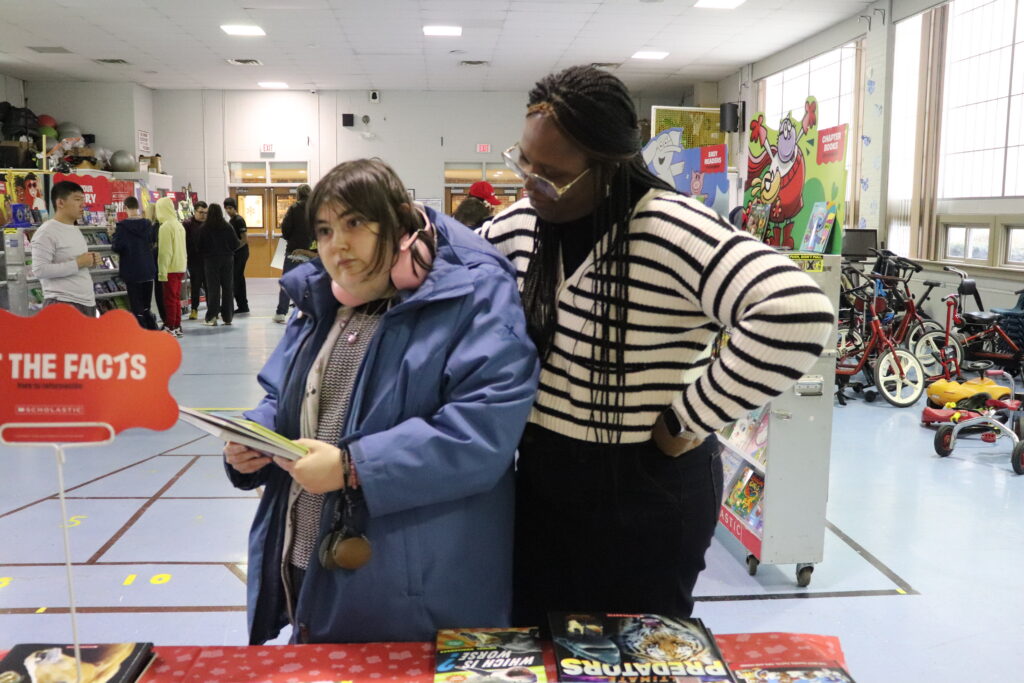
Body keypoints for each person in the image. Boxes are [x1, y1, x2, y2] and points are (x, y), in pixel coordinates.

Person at [479, 65, 835, 627]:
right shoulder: (519, 224)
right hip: (542, 477)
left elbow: (796, 312)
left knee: (639, 646)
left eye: (551, 175)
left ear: (608, 167)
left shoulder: (671, 228)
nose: (529, 183)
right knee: (537, 632)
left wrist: (687, 419)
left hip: (646, 487)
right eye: (523, 162)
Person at [222, 158, 539, 644]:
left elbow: (482, 430)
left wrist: (356, 468)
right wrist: (256, 440)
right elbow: (283, 392)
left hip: (413, 585)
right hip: (312, 556)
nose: (337, 244)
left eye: (354, 223)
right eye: (324, 230)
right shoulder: (324, 299)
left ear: (398, 222)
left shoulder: (472, 294)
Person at [30, 180, 99, 317]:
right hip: (62, 304)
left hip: (87, 303)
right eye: (77, 199)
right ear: (60, 203)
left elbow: (76, 262)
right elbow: (39, 270)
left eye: (83, 200)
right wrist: (78, 263)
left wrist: (91, 261)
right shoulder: (47, 232)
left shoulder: (75, 229)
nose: (83, 205)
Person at [111, 195, 158, 329]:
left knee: (136, 306)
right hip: (148, 269)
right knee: (146, 306)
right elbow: (152, 242)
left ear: (125, 208)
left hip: (132, 270)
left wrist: (112, 235)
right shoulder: (148, 224)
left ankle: (140, 331)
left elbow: (117, 247)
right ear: (138, 207)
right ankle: (151, 329)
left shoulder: (122, 227)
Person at [273, 184, 317, 323]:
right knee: (311, 282)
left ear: (298, 194)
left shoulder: (293, 208)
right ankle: (310, 312)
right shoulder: (315, 209)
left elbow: (285, 229)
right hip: (312, 251)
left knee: (288, 282)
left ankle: (281, 313)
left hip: (294, 251)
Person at [197, 203, 240, 326]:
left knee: (213, 289)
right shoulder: (227, 226)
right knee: (227, 288)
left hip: (211, 261)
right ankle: (228, 317)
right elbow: (236, 244)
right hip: (227, 259)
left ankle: (212, 317)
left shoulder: (204, 228)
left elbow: (199, 246)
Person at [155, 196, 187, 338]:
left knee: (169, 299)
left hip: (170, 268)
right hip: (180, 266)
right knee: (176, 299)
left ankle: (170, 326)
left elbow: (165, 252)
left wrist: (162, 272)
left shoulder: (165, 227)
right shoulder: (179, 225)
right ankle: (177, 325)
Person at [224, 197, 250, 313]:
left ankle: (238, 305)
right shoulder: (231, 220)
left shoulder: (239, 220)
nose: (228, 211)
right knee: (239, 278)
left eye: (230, 208)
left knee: (236, 279)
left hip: (241, 253)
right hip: (236, 253)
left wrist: (234, 249)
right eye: (226, 208)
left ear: (235, 208)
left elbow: (244, 240)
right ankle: (243, 305)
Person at [183, 201, 208, 320]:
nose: (203, 215)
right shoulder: (187, 224)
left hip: (208, 260)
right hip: (194, 260)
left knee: (210, 286)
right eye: (201, 212)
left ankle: (212, 310)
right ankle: (194, 309)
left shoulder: (209, 224)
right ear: (195, 211)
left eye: (206, 213)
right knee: (195, 286)